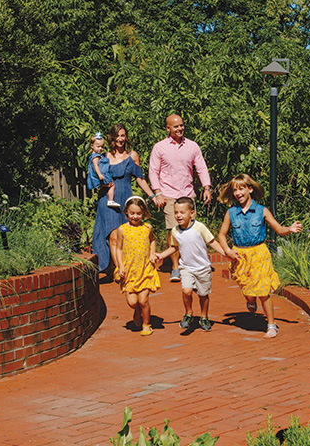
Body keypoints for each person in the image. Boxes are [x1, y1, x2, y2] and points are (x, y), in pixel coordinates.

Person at [217, 174, 301, 339]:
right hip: (240, 255)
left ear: (250, 189)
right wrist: (227, 250)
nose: (238, 193)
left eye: (241, 188)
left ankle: (271, 325)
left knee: (263, 291)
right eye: (235, 190)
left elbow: (278, 229)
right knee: (247, 288)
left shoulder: (262, 211)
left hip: (259, 253)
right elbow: (221, 234)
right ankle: (250, 299)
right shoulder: (231, 213)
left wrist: (289, 229)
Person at [148, 114, 212, 283]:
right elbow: (153, 171)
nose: (179, 128)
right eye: (175, 126)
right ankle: (176, 267)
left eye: (181, 125)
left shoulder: (192, 146)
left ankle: (192, 265)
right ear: (168, 128)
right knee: (174, 231)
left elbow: (201, 168)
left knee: (191, 231)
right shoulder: (159, 147)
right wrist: (158, 192)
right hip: (169, 195)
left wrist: (206, 187)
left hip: (188, 194)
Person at [153, 197, 227, 332]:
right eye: (176, 212)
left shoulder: (199, 227)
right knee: (186, 291)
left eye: (182, 212)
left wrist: (226, 253)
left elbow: (212, 242)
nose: (178, 215)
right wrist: (161, 255)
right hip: (186, 267)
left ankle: (204, 317)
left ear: (191, 213)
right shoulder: (175, 231)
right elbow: (174, 247)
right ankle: (188, 313)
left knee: (203, 295)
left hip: (203, 268)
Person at [91, 124, 155, 280]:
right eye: (117, 136)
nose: (120, 139)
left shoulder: (133, 155)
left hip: (125, 198)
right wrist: (102, 184)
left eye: (123, 135)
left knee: (122, 235)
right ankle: (117, 270)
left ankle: (120, 266)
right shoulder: (104, 155)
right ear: (112, 137)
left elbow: (140, 178)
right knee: (112, 235)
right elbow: (95, 175)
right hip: (108, 198)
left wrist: (153, 196)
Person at [109, 196, 161, 336]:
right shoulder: (122, 230)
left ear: (143, 213)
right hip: (129, 270)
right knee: (133, 302)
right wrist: (120, 266)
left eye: (138, 213)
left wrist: (152, 253)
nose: (135, 216)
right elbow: (118, 249)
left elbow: (152, 241)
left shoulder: (147, 228)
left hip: (145, 269)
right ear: (126, 213)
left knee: (143, 300)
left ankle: (146, 324)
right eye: (132, 213)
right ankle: (137, 311)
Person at [86, 133, 119, 209]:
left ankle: (99, 200)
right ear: (92, 146)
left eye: (102, 147)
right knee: (112, 185)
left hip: (101, 174)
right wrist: (100, 174)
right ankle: (111, 200)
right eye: (98, 147)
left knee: (103, 186)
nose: (100, 149)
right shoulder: (96, 156)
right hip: (101, 174)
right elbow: (96, 166)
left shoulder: (96, 155)